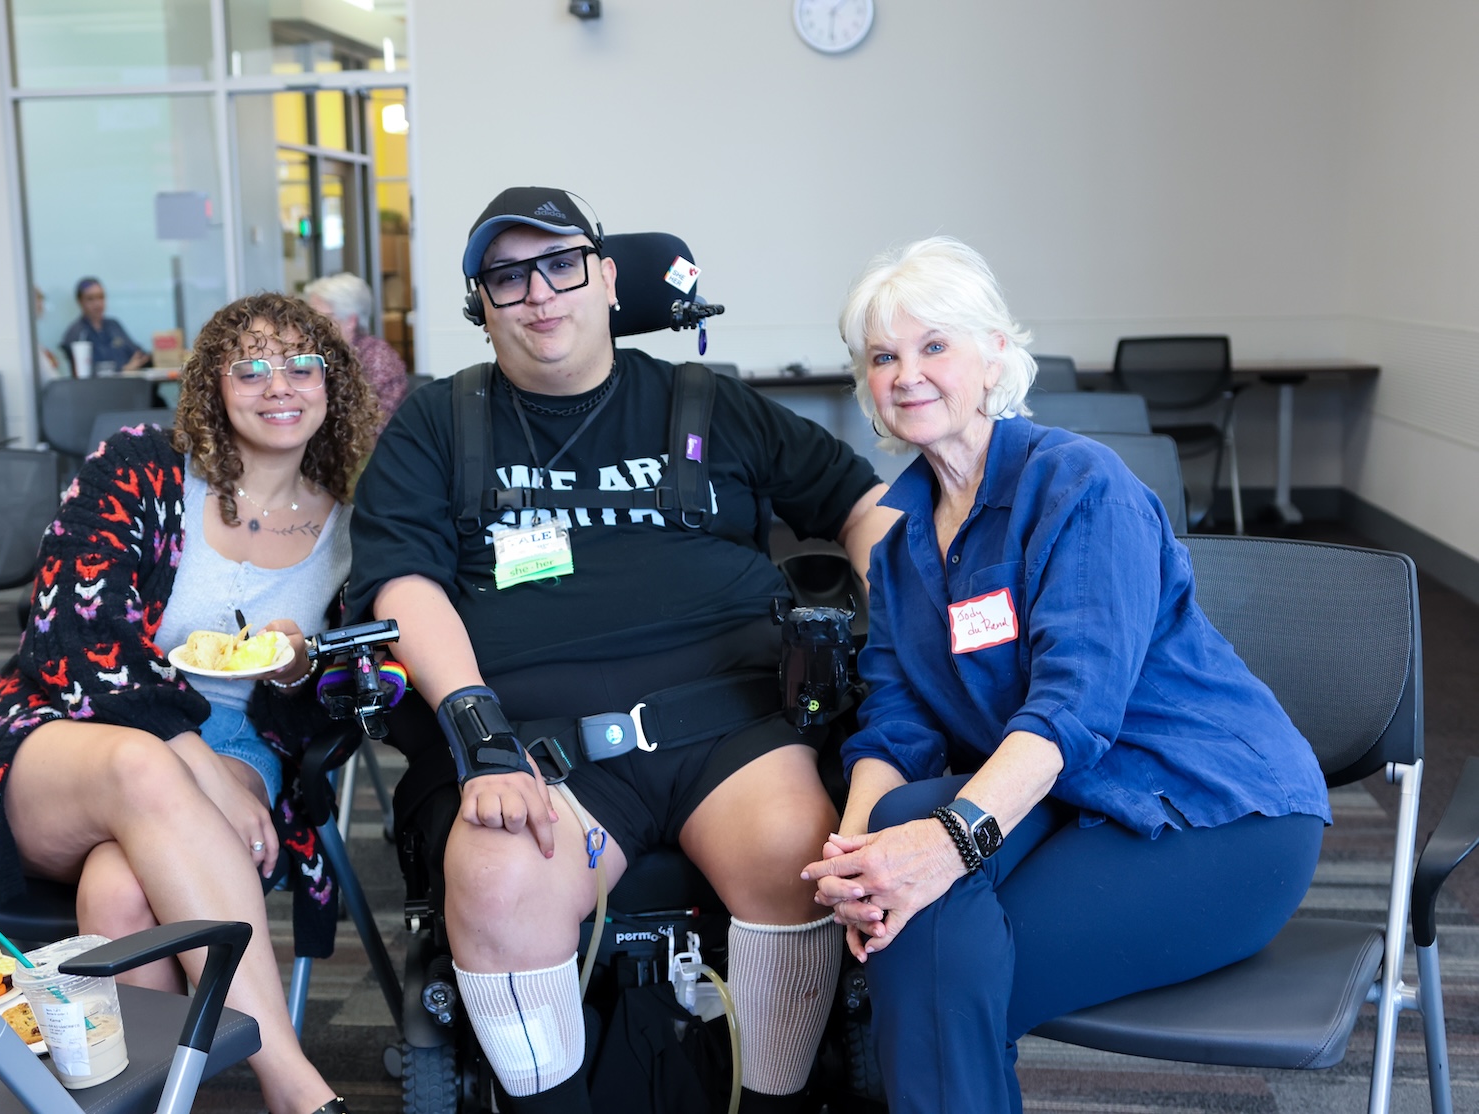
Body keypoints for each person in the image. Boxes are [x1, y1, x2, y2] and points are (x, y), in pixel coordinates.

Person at [346, 186, 899, 1114]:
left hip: (729, 725)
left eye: (561, 264)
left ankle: (770, 1101)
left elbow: (862, 503)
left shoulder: (711, 403)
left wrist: (904, 615)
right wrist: (479, 735)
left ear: (606, 277)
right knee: (494, 874)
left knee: (798, 850)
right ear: (480, 305)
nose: (539, 293)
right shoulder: (437, 424)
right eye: (507, 276)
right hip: (531, 739)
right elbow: (403, 583)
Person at [802, 238, 1331, 1113]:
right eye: (883, 357)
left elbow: (1073, 711)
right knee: (901, 831)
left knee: (939, 971)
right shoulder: (898, 541)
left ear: (995, 354)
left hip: (1213, 812)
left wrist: (947, 845)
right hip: (1063, 804)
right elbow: (894, 721)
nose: (906, 374)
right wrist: (859, 857)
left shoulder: (1080, 485)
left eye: (934, 345)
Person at [0, 292, 378, 1114]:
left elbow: (360, 690)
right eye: (251, 366)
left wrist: (300, 669)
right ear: (212, 384)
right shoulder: (140, 464)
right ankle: (294, 1085)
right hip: (67, 720)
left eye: (301, 363)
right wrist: (190, 756)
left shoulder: (354, 523)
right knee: (143, 763)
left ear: (333, 381)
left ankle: (151, 1101)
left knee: (122, 892)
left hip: (244, 739)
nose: (279, 384)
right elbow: (68, 633)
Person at [304, 271, 410, 439]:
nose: (311, 326)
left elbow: (373, 427)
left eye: (321, 317)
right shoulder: (322, 355)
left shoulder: (378, 358)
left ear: (350, 321)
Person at [60, 277, 151, 372]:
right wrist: (123, 370)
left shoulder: (114, 325)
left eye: (101, 297)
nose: (97, 304)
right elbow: (86, 371)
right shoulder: (76, 333)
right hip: (100, 386)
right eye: (90, 299)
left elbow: (137, 354)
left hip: (129, 383)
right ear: (80, 301)